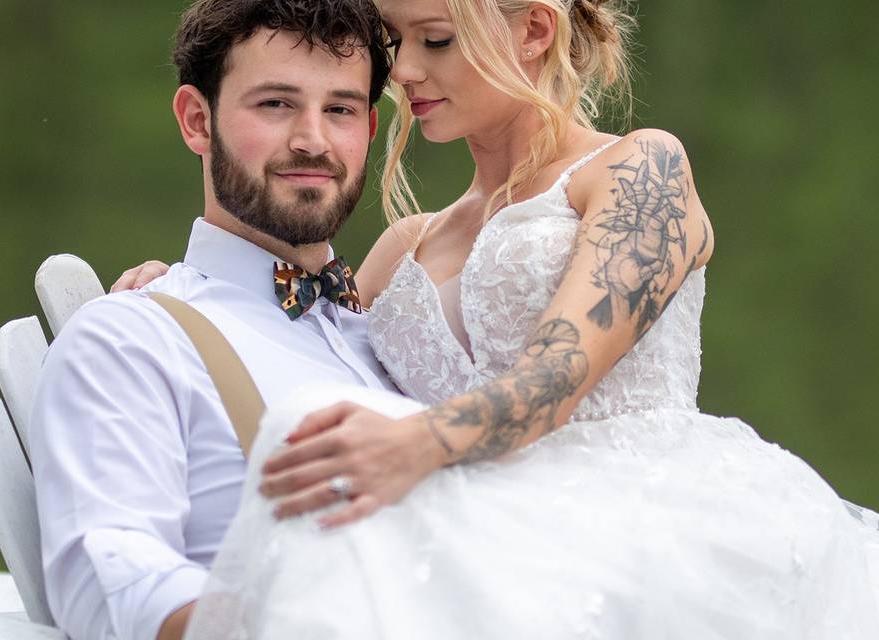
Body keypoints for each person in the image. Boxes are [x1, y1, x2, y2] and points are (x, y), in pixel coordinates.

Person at [114, 0, 878, 638]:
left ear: (534, 31)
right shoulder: (405, 246)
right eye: (396, 42)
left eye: (436, 40)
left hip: (651, 526)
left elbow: (557, 374)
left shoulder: (638, 169)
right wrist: (183, 289)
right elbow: (297, 330)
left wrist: (415, 443)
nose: (403, 71)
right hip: (476, 539)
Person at [28, 2, 395, 640]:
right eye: (276, 104)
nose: (312, 139)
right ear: (198, 120)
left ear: (367, 126)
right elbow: (113, 587)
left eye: (338, 109)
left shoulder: (399, 333)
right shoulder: (132, 339)